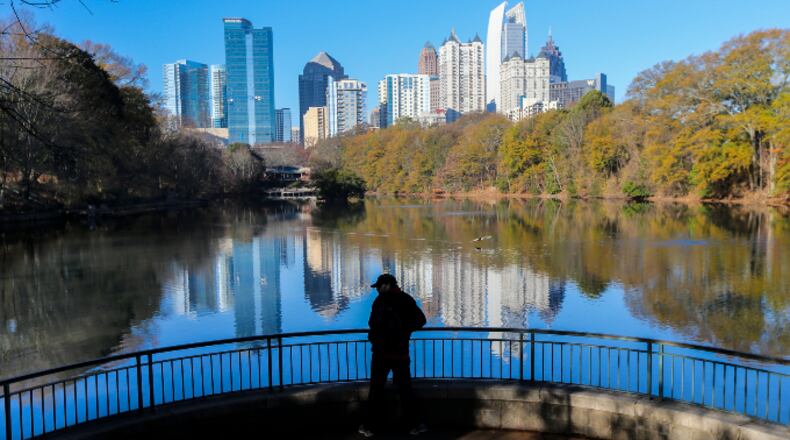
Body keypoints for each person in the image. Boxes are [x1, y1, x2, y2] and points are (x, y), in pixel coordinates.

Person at [358, 274, 427, 438]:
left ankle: (370, 426)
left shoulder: (380, 302)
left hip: (381, 354)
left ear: (387, 285)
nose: (377, 290)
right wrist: (405, 329)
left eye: (379, 287)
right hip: (401, 353)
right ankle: (414, 425)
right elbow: (421, 320)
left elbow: (372, 323)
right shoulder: (406, 299)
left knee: (376, 390)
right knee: (405, 390)